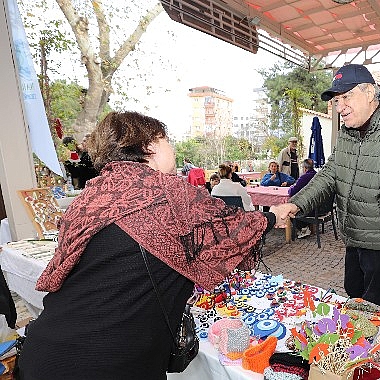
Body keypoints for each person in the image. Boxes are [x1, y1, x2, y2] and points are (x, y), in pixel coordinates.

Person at [17, 111, 286, 380]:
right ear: (149, 146)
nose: (173, 147)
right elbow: (234, 228)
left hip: (44, 354)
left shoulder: (91, 197)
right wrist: (274, 215)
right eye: (166, 139)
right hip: (111, 365)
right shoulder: (170, 193)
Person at [271, 64, 380, 309]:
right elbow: (329, 175)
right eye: (336, 100)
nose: (340, 107)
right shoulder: (349, 132)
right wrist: (295, 204)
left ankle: (370, 345)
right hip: (353, 235)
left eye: (346, 97)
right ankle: (355, 340)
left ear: (370, 94)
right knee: (353, 290)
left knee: (373, 303)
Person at [288, 158, 317, 239]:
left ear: (305, 168)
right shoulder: (317, 175)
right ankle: (306, 227)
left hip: (310, 209)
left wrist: (291, 187)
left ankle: (303, 228)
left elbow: (292, 192)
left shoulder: (305, 177)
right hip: (320, 207)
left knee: (290, 210)